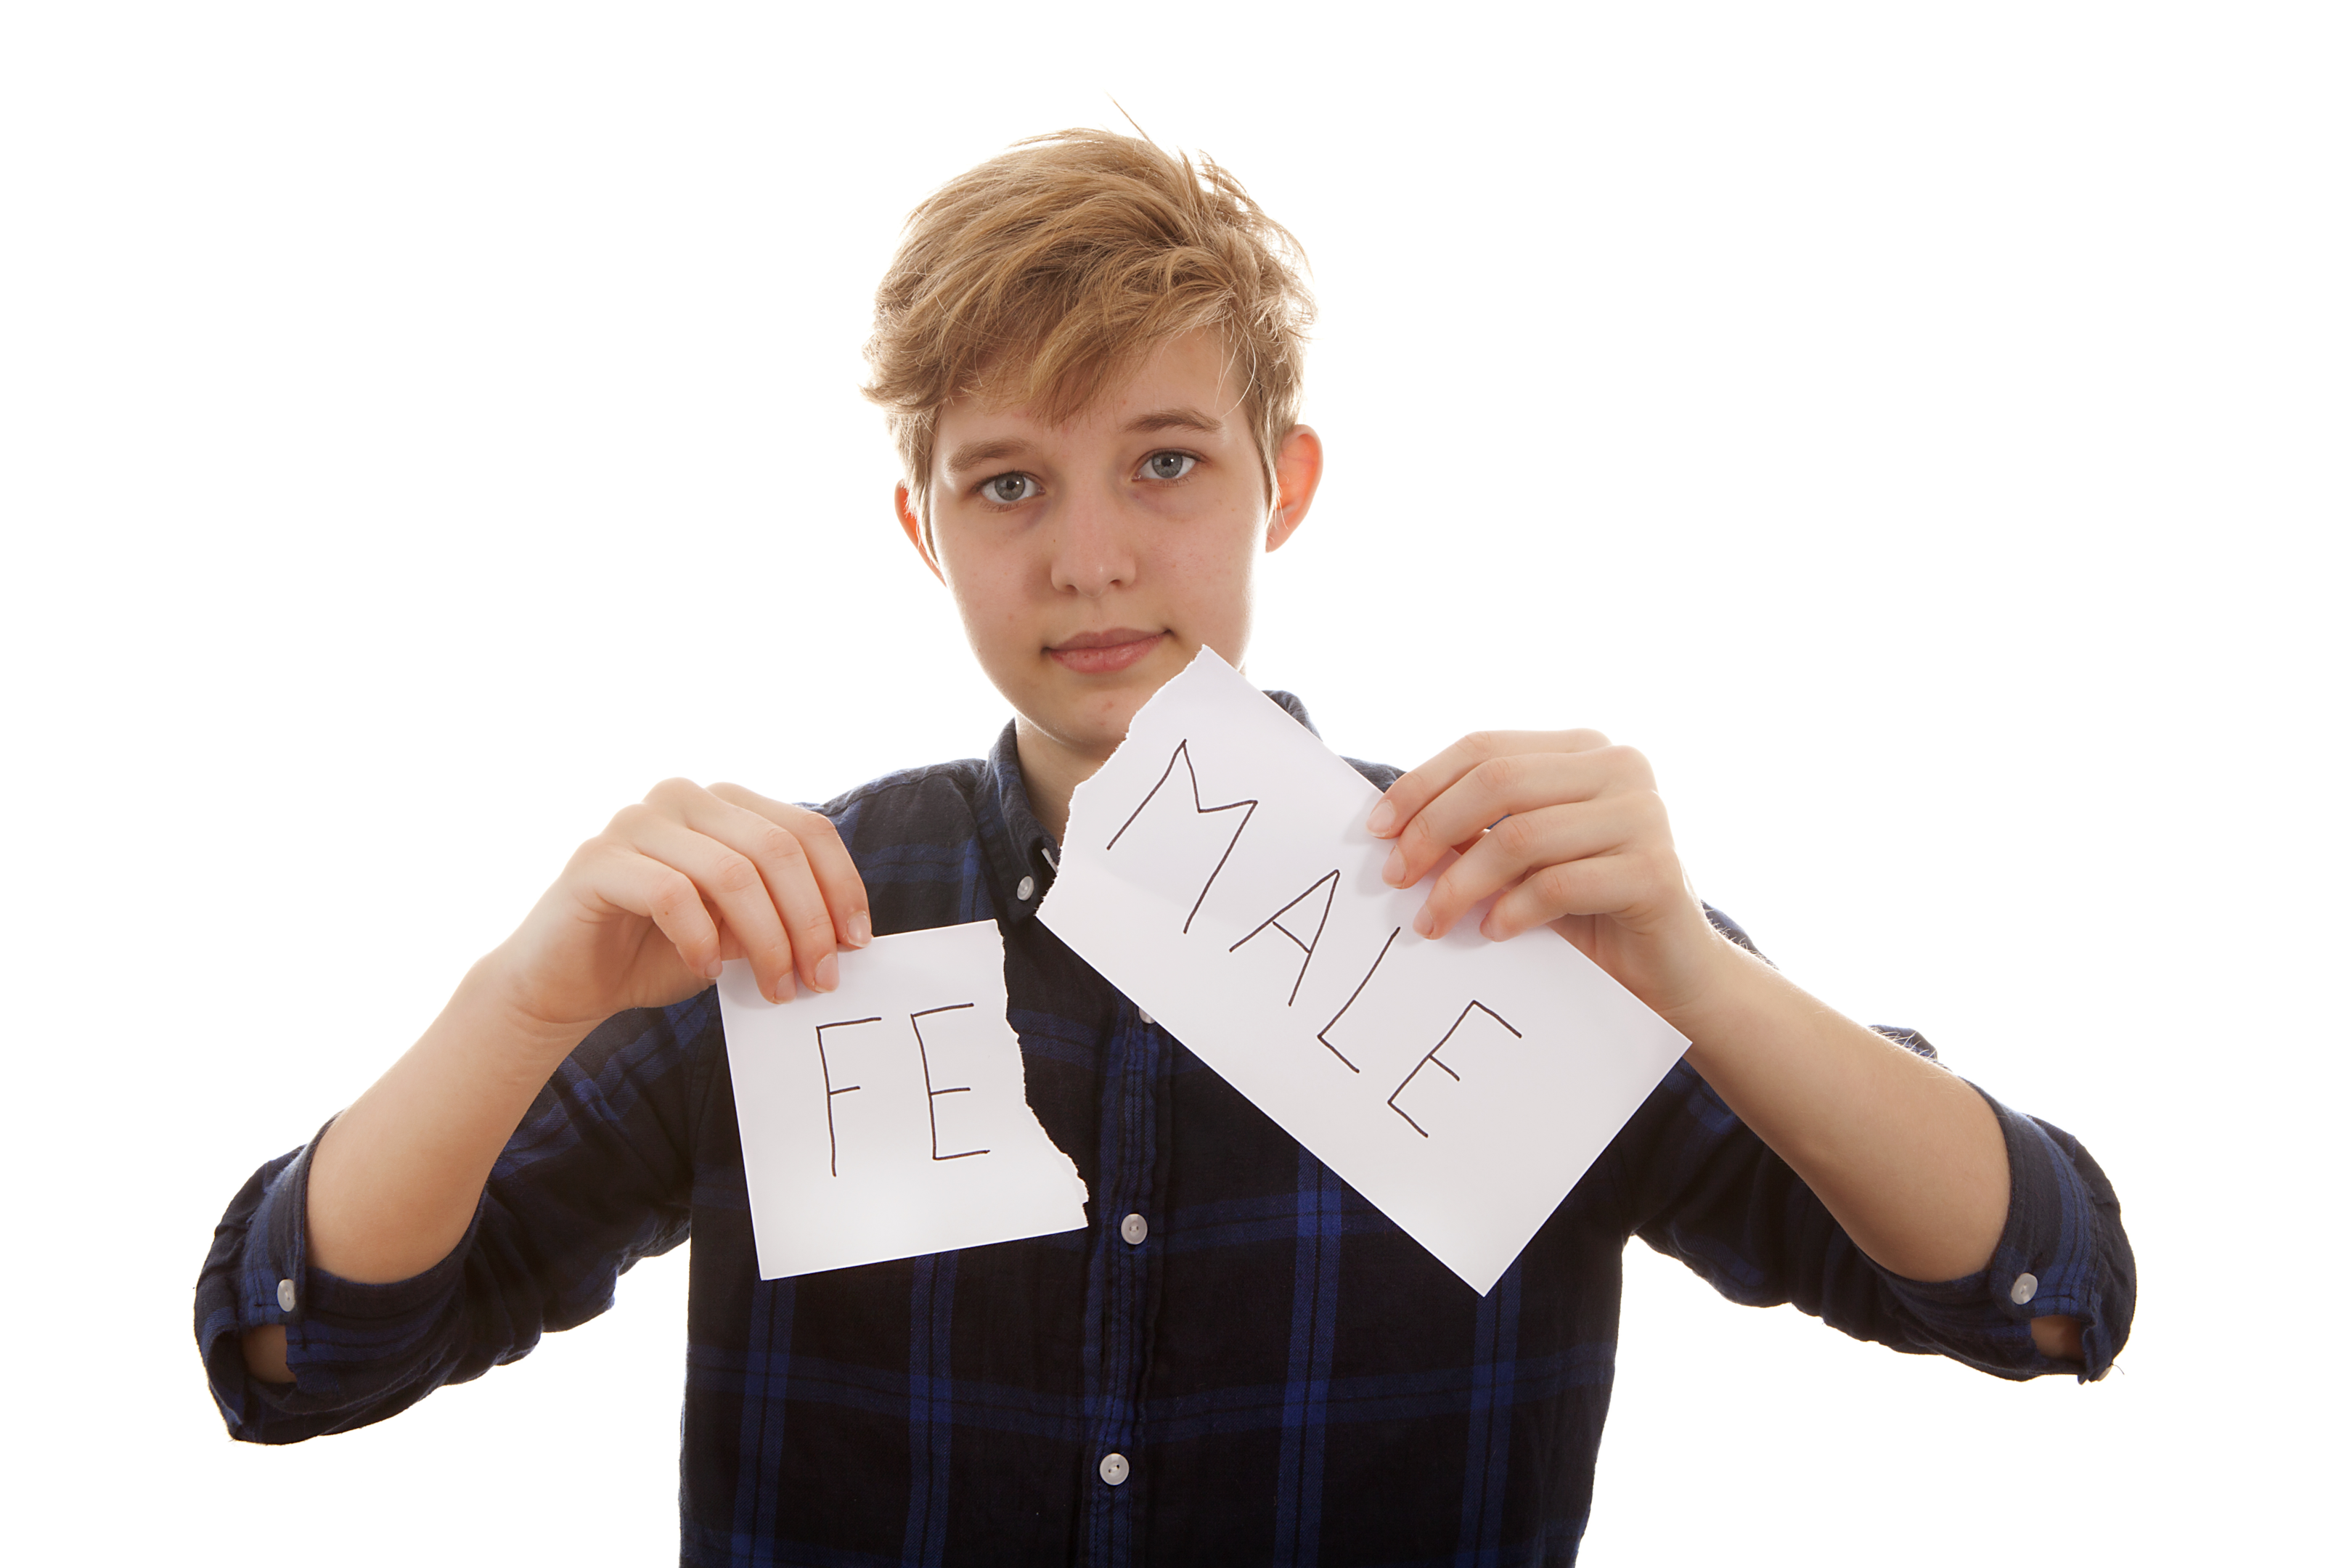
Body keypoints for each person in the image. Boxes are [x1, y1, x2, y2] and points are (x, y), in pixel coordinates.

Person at [197, 129, 2134, 1565]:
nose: (1093, 557)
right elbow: (296, 1354)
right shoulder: (798, 926)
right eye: (1010, 483)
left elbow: (2040, 1294)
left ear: (1284, 483)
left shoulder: (1505, 907)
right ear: (921, 527)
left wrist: (1699, 983)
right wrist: (524, 999)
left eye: (1169, 462)